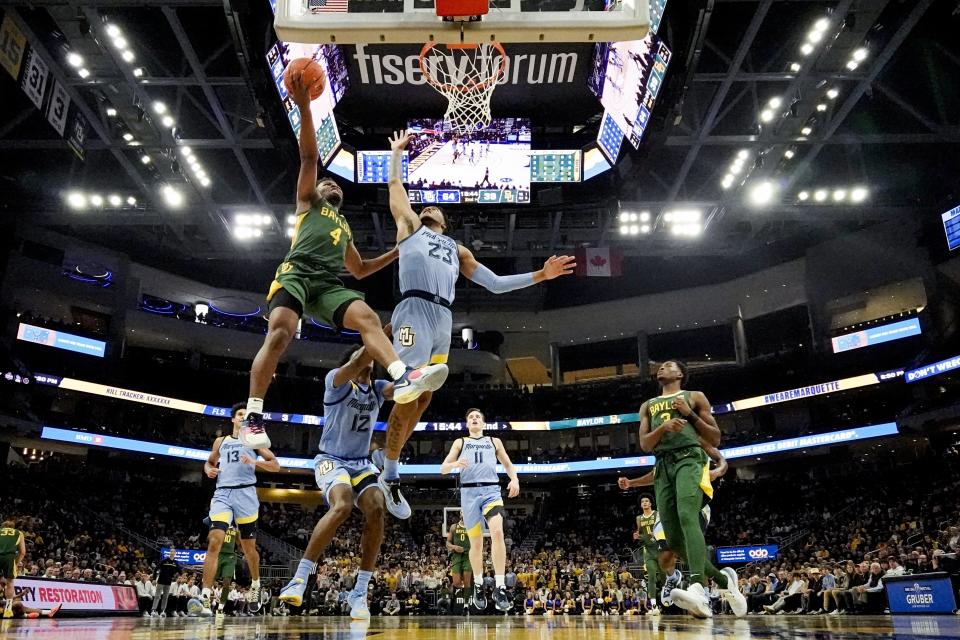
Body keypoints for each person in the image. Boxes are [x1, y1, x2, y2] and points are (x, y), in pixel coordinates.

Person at [238, 73, 449, 452]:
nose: (333, 184)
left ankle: (402, 377)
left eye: (337, 185)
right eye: (327, 183)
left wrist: (397, 252)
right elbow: (307, 157)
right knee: (282, 333)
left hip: (328, 286)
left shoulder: (344, 225)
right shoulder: (307, 203)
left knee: (367, 317)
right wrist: (304, 106)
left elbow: (360, 270)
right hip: (297, 274)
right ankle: (254, 415)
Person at [378, 130, 575, 518]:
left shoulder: (459, 250)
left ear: (446, 222)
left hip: (443, 317)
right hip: (414, 308)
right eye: (426, 206)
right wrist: (397, 154)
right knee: (408, 389)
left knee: (424, 396)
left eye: (437, 209)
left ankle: (391, 436)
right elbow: (396, 184)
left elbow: (497, 285)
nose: (431, 208)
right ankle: (389, 471)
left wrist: (540, 275)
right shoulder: (409, 227)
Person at [278, 344, 391, 621]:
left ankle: (360, 592)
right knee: (341, 505)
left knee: (377, 509)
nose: (365, 361)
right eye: (360, 356)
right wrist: (381, 334)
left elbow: (404, 388)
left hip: (361, 462)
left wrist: (423, 368)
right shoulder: (336, 381)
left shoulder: (377, 388)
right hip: (331, 459)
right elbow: (359, 360)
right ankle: (300, 578)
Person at [636, 360, 745, 619]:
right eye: (660, 366)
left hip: (689, 459)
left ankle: (697, 585)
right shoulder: (647, 405)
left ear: (681, 374)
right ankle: (723, 580)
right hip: (662, 466)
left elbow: (715, 438)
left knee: (687, 516)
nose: (661, 368)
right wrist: (663, 427)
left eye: (668, 365)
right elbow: (645, 445)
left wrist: (689, 414)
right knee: (672, 541)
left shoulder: (694, 397)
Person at [617, 437, 730, 613]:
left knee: (693, 553)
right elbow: (656, 475)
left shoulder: (695, 438)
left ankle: (704, 594)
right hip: (671, 507)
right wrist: (632, 483)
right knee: (666, 554)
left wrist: (717, 472)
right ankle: (672, 577)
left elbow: (721, 460)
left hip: (696, 504)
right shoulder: (664, 452)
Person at [199, 403, 280, 615]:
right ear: (233, 420)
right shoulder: (221, 441)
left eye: (246, 414)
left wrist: (255, 461)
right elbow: (208, 463)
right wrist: (209, 469)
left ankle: (255, 585)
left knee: (248, 549)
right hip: (223, 494)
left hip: (246, 495)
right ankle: (205, 596)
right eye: (240, 414)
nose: (243, 417)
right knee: (215, 541)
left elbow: (275, 465)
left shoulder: (254, 441)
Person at [440, 408, 520, 612]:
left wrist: (514, 479)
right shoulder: (460, 442)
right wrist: (455, 463)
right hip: (469, 495)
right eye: (470, 417)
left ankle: (500, 586)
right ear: (467, 424)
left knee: (498, 532)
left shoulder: (494, 441)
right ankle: (478, 584)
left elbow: (508, 464)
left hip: (491, 492)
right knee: (476, 543)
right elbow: (443, 468)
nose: (474, 419)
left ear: (483, 423)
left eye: (478, 417)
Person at [0, 520, 25, 619]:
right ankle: (8, 610)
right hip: (9, 557)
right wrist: (16, 563)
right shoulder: (18, 533)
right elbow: (22, 552)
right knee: (9, 583)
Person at [446, 516, 472, 604]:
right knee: (456, 582)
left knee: (467, 582)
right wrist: (454, 547)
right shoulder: (454, 527)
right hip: (456, 556)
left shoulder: (472, 526)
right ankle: (458, 590)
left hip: (467, 556)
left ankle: (466, 605)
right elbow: (447, 543)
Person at [151, 550, 180, 617]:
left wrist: (182, 574)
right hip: (161, 581)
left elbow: (180, 570)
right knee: (157, 596)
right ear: (170, 553)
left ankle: (162, 611)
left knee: (165, 597)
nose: (172, 553)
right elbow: (156, 569)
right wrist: (154, 579)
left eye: (174, 552)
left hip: (168, 582)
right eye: (171, 552)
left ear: (175, 553)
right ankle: (153, 610)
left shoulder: (175, 563)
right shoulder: (164, 561)